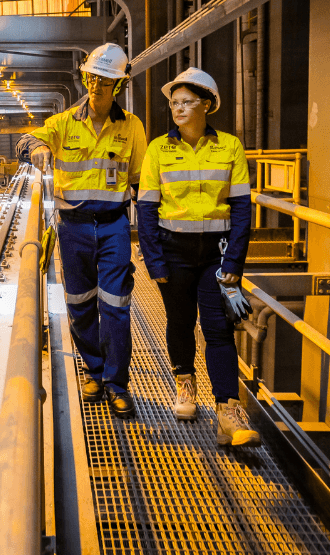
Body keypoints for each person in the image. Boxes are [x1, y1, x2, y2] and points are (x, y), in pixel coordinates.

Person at [135, 67, 260, 446]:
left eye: (186, 102)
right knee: (180, 320)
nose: (178, 108)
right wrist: (154, 261)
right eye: (174, 103)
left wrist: (234, 263)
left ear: (207, 105)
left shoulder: (230, 147)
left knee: (219, 329)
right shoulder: (158, 149)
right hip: (174, 253)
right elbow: (145, 209)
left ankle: (228, 411)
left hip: (216, 256)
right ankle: (185, 383)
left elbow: (241, 209)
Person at [24, 43, 147, 419]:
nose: (97, 86)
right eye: (92, 78)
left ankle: (116, 383)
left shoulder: (131, 127)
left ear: (119, 84)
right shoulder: (63, 124)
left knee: (115, 307)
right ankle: (94, 372)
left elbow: (142, 183)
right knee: (79, 306)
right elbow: (27, 140)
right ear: (85, 78)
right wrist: (38, 148)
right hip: (73, 229)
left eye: (105, 80)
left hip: (113, 228)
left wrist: (148, 238)